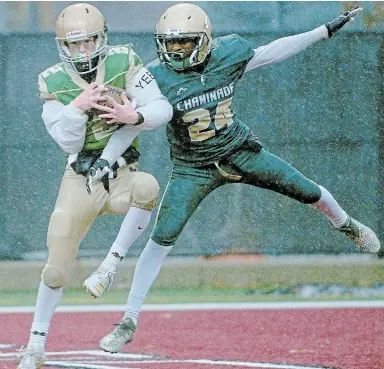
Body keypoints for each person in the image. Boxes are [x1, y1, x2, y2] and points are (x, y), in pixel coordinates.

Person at [87, 3, 381, 353]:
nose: (177, 51)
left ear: (205, 40)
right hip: (192, 167)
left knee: (306, 190)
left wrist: (323, 31)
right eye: (171, 43)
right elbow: (133, 122)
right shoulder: (155, 78)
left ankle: (345, 223)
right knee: (161, 238)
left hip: (240, 151)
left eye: (185, 43)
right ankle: (128, 320)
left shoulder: (229, 53)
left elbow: (273, 52)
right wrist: (107, 156)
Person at [16, 3, 173, 369]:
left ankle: (110, 265)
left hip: (121, 173)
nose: (83, 51)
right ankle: (36, 345)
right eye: (75, 44)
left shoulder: (123, 61)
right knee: (55, 268)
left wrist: (133, 115)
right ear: (63, 47)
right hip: (81, 178)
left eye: (89, 41)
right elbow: (69, 144)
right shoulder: (53, 81)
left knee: (147, 187)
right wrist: (78, 107)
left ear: (101, 39)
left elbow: (161, 108)